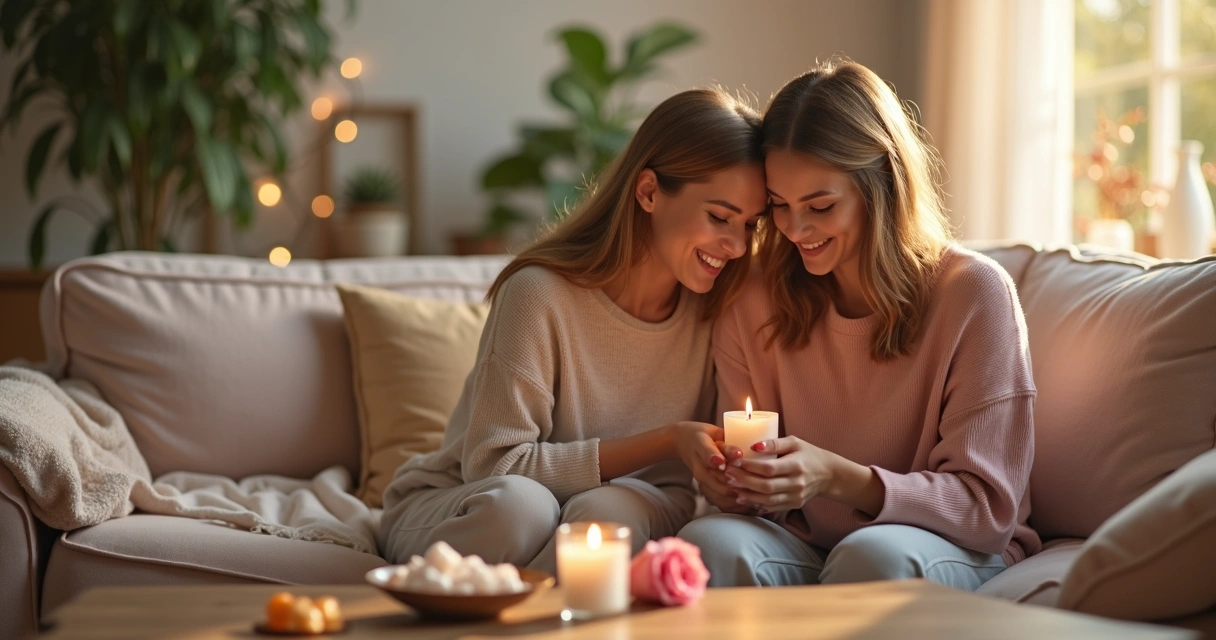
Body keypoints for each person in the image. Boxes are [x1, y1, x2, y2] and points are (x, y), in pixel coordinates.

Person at [678, 60, 1041, 591]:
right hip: (806, 540)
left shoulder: (973, 294)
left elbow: (988, 508)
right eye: (779, 205)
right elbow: (752, 489)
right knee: (708, 542)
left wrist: (837, 477)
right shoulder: (754, 296)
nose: (796, 229)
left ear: (881, 188)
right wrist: (738, 484)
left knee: (870, 556)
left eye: (820, 206)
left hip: (953, 542)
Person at [378, 89, 768, 573]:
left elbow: (684, 485)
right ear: (648, 192)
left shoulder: (721, 309)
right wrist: (668, 440)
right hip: (472, 501)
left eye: (751, 225)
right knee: (520, 509)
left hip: (637, 502)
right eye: (719, 217)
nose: (735, 245)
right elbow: (494, 465)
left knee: (606, 518)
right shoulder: (538, 294)